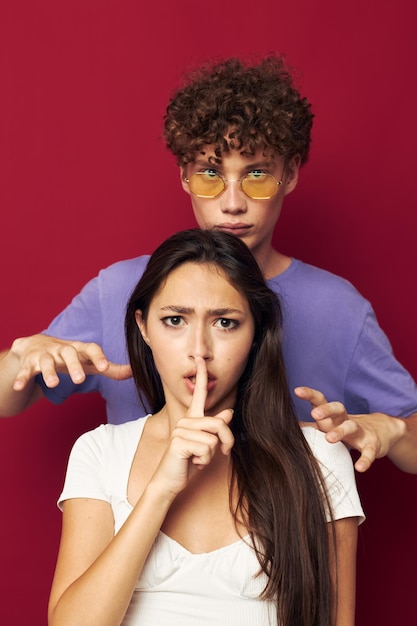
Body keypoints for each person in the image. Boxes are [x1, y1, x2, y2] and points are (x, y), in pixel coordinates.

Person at [1, 56, 416, 472]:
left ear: (289, 174)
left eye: (256, 175)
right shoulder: (122, 290)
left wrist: (393, 431)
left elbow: (410, 434)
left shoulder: (339, 308)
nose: (233, 203)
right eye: (210, 174)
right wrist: (23, 359)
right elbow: (9, 397)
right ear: (185, 176)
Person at [47, 229, 364, 626]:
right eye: (175, 320)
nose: (200, 349)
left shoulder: (319, 455)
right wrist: (161, 488)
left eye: (226, 323)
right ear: (143, 327)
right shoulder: (100, 451)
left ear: (257, 332)